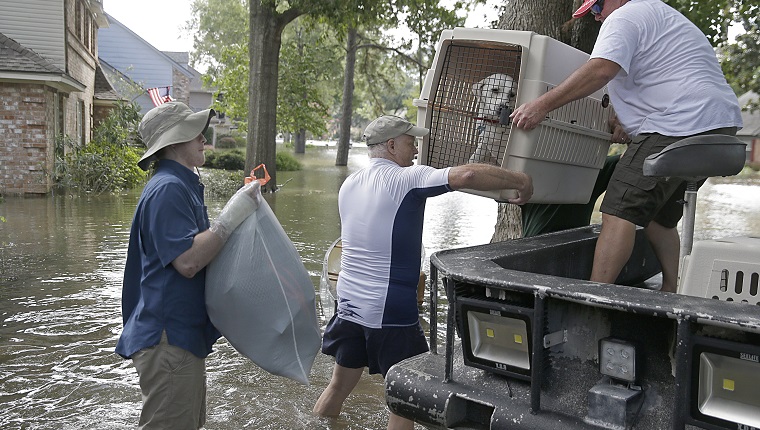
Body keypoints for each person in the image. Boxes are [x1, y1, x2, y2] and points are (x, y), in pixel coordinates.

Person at [312, 115, 533, 430]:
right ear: (391, 145)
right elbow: (468, 174)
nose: (416, 148)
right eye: (410, 140)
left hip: (348, 305)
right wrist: (520, 180)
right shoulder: (407, 179)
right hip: (389, 310)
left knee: (338, 386)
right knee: (408, 400)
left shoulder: (350, 183)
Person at [510, 0, 743, 292]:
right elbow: (660, 75)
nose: (597, 17)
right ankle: (672, 291)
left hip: (678, 125)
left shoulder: (624, 16)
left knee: (617, 212)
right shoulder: (661, 14)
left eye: (598, 8)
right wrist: (627, 119)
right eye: (592, 13)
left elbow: (601, 70)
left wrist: (541, 106)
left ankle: (593, 297)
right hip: (719, 125)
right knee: (660, 219)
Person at [116, 101, 261, 429]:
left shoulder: (179, 184)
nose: (204, 140)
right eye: (195, 133)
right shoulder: (168, 188)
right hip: (169, 338)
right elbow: (188, 261)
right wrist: (232, 215)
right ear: (174, 142)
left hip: (176, 336)